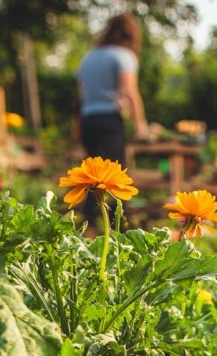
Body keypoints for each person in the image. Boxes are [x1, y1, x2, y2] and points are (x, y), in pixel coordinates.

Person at [77, 13, 149, 223]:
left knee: (93, 173)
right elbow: (130, 92)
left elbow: (83, 90)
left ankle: (89, 226)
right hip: (109, 121)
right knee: (116, 176)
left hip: (88, 119)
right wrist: (140, 126)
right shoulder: (123, 55)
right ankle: (116, 227)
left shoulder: (89, 57)